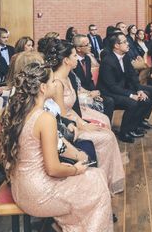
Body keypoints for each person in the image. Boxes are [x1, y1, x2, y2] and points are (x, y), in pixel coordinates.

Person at [0, 62, 113, 231]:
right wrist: (76, 170)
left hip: (21, 186)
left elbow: (53, 144)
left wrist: (77, 156)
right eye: (53, 82)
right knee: (96, 182)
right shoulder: (45, 118)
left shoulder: (21, 111)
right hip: (39, 193)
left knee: (95, 175)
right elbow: (52, 169)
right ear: (43, 88)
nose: (56, 85)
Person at [45, 40, 124, 194]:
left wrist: (84, 123)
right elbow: (62, 116)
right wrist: (83, 126)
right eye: (74, 55)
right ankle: (99, 186)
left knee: (107, 133)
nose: (77, 58)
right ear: (66, 60)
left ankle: (106, 182)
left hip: (74, 121)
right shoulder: (56, 83)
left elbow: (71, 110)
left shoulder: (68, 78)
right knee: (106, 138)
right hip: (66, 130)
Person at [98, 34, 152, 143]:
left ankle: (135, 125)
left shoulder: (125, 56)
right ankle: (124, 132)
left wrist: (139, 90)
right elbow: (112, 86)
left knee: (149, 95)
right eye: (125, 42)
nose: (128, 44)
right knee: (133, 102)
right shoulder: (107, 61)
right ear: (116, 45)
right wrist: (131, 95)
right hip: (108, 93)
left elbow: (132, 76)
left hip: (122, 88)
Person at [72, 34, 114, 123]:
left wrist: (96, 93)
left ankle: (105, 126)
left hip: (90, 92)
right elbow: (75, 85)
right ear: (78, 48)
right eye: (87, 44)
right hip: (79, 95)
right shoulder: (73, 63)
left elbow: (90, 80)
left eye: (89, 43)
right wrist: (90, 94)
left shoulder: (87, 58)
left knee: (109, 101)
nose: (90, 46)